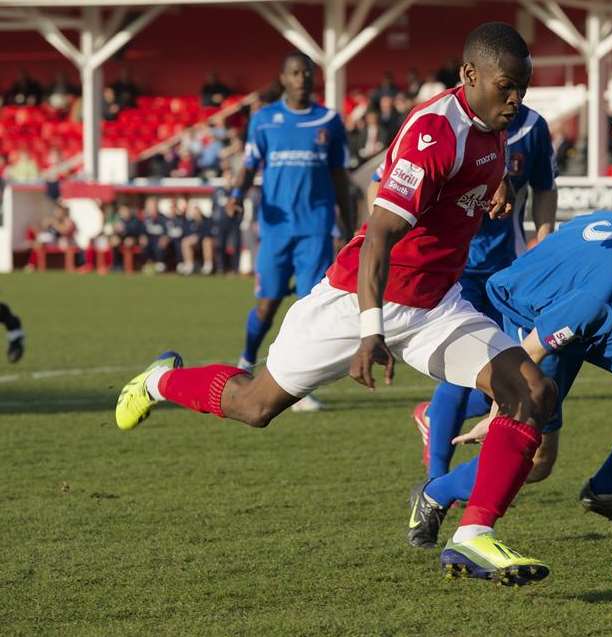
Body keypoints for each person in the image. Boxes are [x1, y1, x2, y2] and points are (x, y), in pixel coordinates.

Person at [115, 23, 559, 587]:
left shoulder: (497, 122)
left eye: (524, 86)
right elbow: (377, 238)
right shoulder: (432, 133)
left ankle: (473, 535)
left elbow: (471, 184)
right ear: (469, 75)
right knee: (256, 406)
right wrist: (370, 331)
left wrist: (494, 191)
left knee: (532, 392)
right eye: (508, 86)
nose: (517, 99)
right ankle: (159, 381)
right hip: (355, 301)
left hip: (435, 307)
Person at [406, 213, 612, 548]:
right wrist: (498, 418)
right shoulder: (600, 296)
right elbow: (531, 351)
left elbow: (601, 245)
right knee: (535, 461)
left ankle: (606, 491)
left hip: (601, 304)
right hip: (535, 311)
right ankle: (436, 492)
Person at [405, 101, 557, 488]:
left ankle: (435, 417)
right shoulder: (443, 120)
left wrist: (545, 238)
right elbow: (385, 180)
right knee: (462, 371)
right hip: (456, 268)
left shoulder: (533, 127)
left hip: (510, 270)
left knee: (528, 374)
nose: (511, 93)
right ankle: (435, 482)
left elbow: (544, 188)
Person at [228, 52, 354, 412]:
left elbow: (340, 177)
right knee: (267, 306)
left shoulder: (329, 121)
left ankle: (297, 388)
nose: (302, 78)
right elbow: (249, 165)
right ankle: (245, 360)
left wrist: (348, 225)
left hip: (315, 228)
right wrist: (237, 196)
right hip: (276, 228)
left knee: (307, 310)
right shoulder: (264, 120)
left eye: (307, 73)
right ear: (283, 78)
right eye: (295, 73)